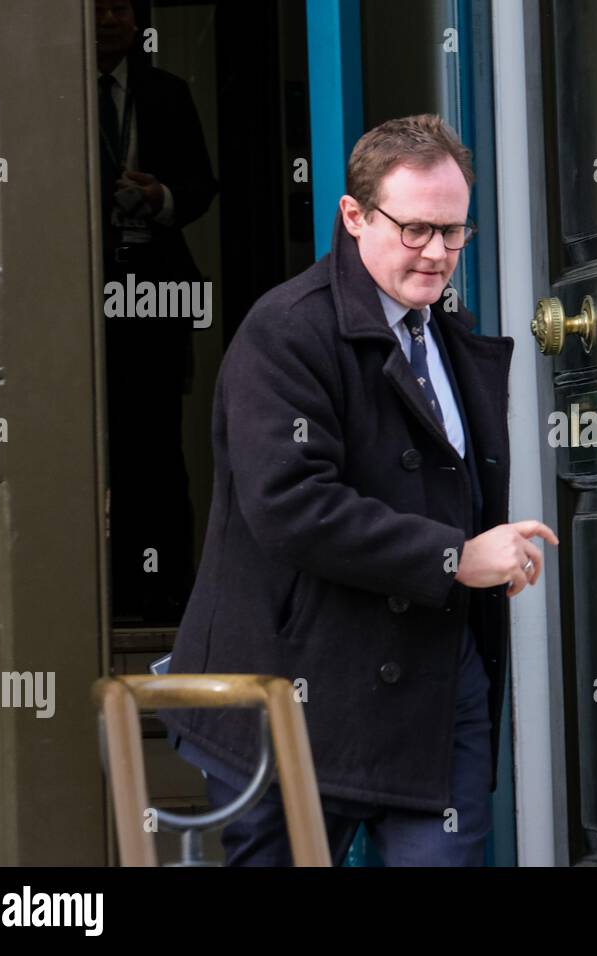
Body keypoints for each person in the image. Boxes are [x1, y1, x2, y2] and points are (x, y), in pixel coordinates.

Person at [160, 114, 558, 866]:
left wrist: (476, 554)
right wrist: (454, 558)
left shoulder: (449, 331)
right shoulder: (284, 330)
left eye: (454, 231)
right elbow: (291, 507)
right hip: (292, 688)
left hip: (435, 689)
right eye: (414, 230)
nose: (438, 253)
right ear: (353, 216)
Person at [95, 0, 218, 624]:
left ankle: (165, 597)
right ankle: (93, 592)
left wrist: (160, 197)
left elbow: (201, 186)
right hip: (76, 296)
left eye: (122, 6)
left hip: (154, 295)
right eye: (97, 5)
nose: (110, 17)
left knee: (157, 449)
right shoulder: (48, 89)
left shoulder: (166, 92)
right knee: (86, 442)